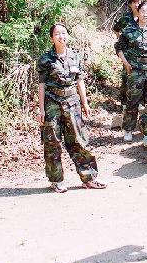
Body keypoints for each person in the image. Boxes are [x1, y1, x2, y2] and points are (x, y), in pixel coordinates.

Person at [37, 23, 106, 192]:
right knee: (52, 142)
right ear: (52, 38)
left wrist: (85, 102)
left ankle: (89, 178)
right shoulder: (46, 59)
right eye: (57, 34)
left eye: (64, 33)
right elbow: (41, 84)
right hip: (52, 103)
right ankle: (56, 180)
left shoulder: (75, 55)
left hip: (72, 103)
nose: (61, 36)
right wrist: (41, 109)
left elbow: (79, 80)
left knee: (79, 140)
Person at [115, 2, 147, 142]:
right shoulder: (129, 29)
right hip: (135, 70)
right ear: (138, 12)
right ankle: (128, 129)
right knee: (133, 100)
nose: (145, 14)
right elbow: (119, 48)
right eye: (142, 11)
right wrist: (126, 63)